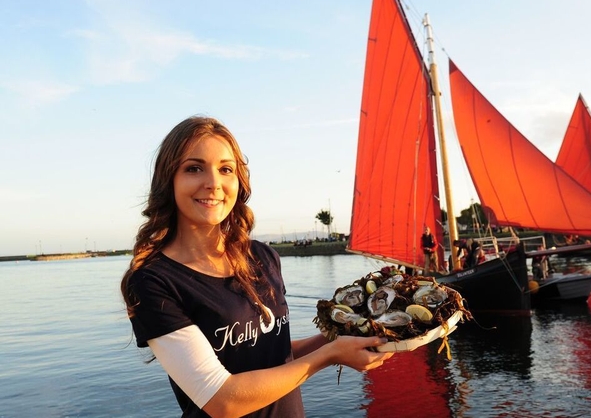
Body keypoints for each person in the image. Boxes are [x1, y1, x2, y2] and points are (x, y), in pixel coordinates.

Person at [120, 116, 392, 417]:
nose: (213, 183)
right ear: (168, 180)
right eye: (194, 168)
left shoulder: (263, 257)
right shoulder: (153, 281)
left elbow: (274, 353)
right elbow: (221, 400)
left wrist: (339, 338)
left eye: (226, 169)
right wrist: (329, 355)